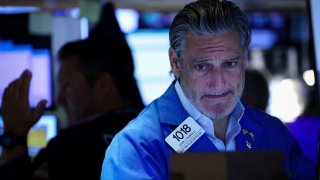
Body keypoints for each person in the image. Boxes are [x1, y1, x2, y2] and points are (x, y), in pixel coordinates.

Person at [101, 0, 316, 179]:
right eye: (202, 67)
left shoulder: (272, 132)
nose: (219, 83)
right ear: (175, 63)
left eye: (230, 64)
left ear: (245, 59)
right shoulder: (136, 148)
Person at [0, 37, 144, 179]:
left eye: (67, 85)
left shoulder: (69, 147)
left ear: (103, 85)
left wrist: (14, 135)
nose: (60, 99)